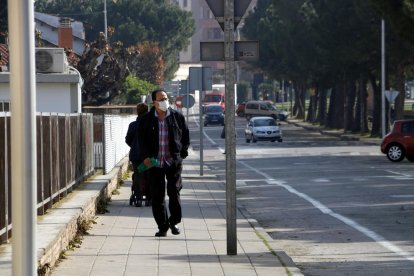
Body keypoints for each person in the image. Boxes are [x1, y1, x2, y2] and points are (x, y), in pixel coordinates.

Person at [138, 89, 190, 237]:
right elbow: (140, 141)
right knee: (157, 196)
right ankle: (163, 226)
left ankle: (174, 221)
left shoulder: (177, 117)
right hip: (154, 163)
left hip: (172, 162)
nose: (164, 101)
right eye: (161, 99)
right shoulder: (146, 120)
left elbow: (185, 136)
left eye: (165, 98)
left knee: (174, 191)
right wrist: (145, 156)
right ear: (154, 102)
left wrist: (181, 154)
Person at [125, 103, 150, 207]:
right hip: (148, 155)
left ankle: (138, 198)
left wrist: (134, 146)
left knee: (138, 175)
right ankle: (149, 197)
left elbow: (128, 140)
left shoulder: (133, 125)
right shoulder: (150, 124)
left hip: (136, 155)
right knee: (149, 175)